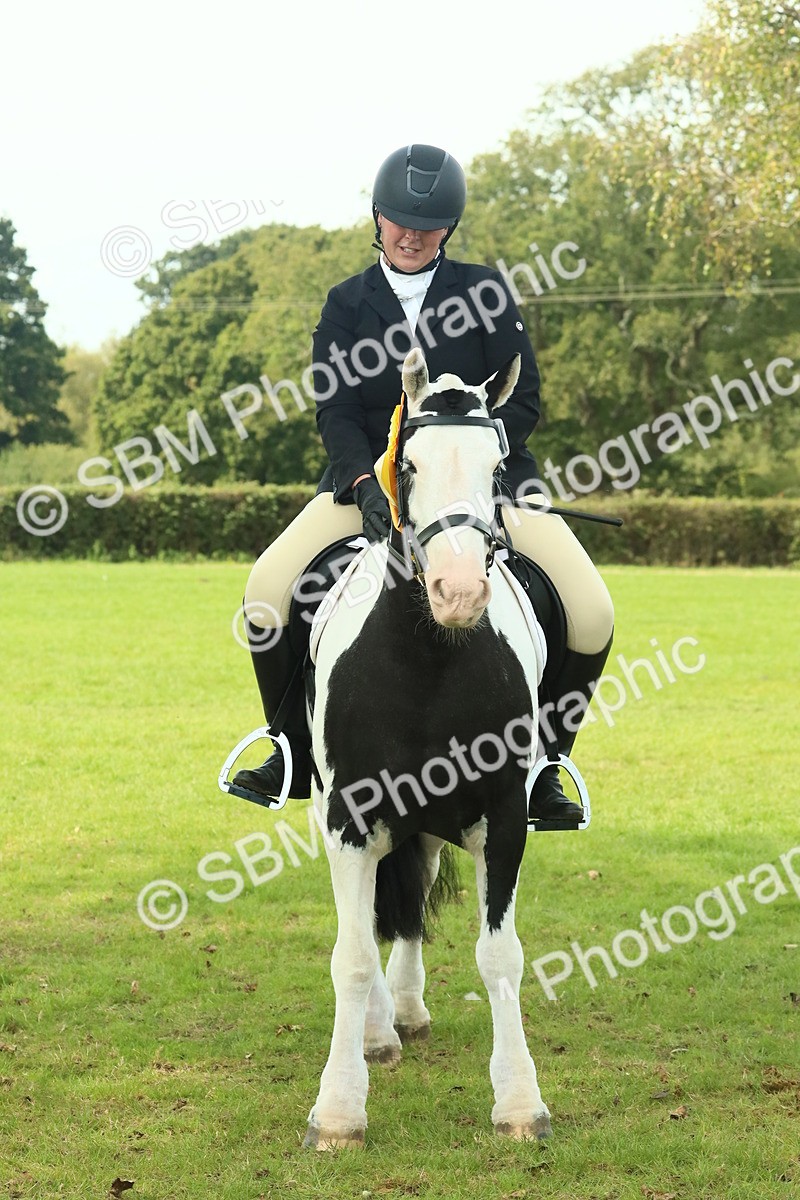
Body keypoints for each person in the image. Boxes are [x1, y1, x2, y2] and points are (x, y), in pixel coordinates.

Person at [232, 143, 614, 821]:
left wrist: (472, 469)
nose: (411, 235)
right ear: (376, 218)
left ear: (449, 230)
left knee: (591, 610)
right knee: (266, 590)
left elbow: (520, 399)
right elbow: (337, 409)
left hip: (481, 487)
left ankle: (547, 762)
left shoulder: (485, 292)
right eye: (398, 220)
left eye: (428, 224)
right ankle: (287, 746)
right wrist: (364, 482)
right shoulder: (346, 304)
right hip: (370, 485)